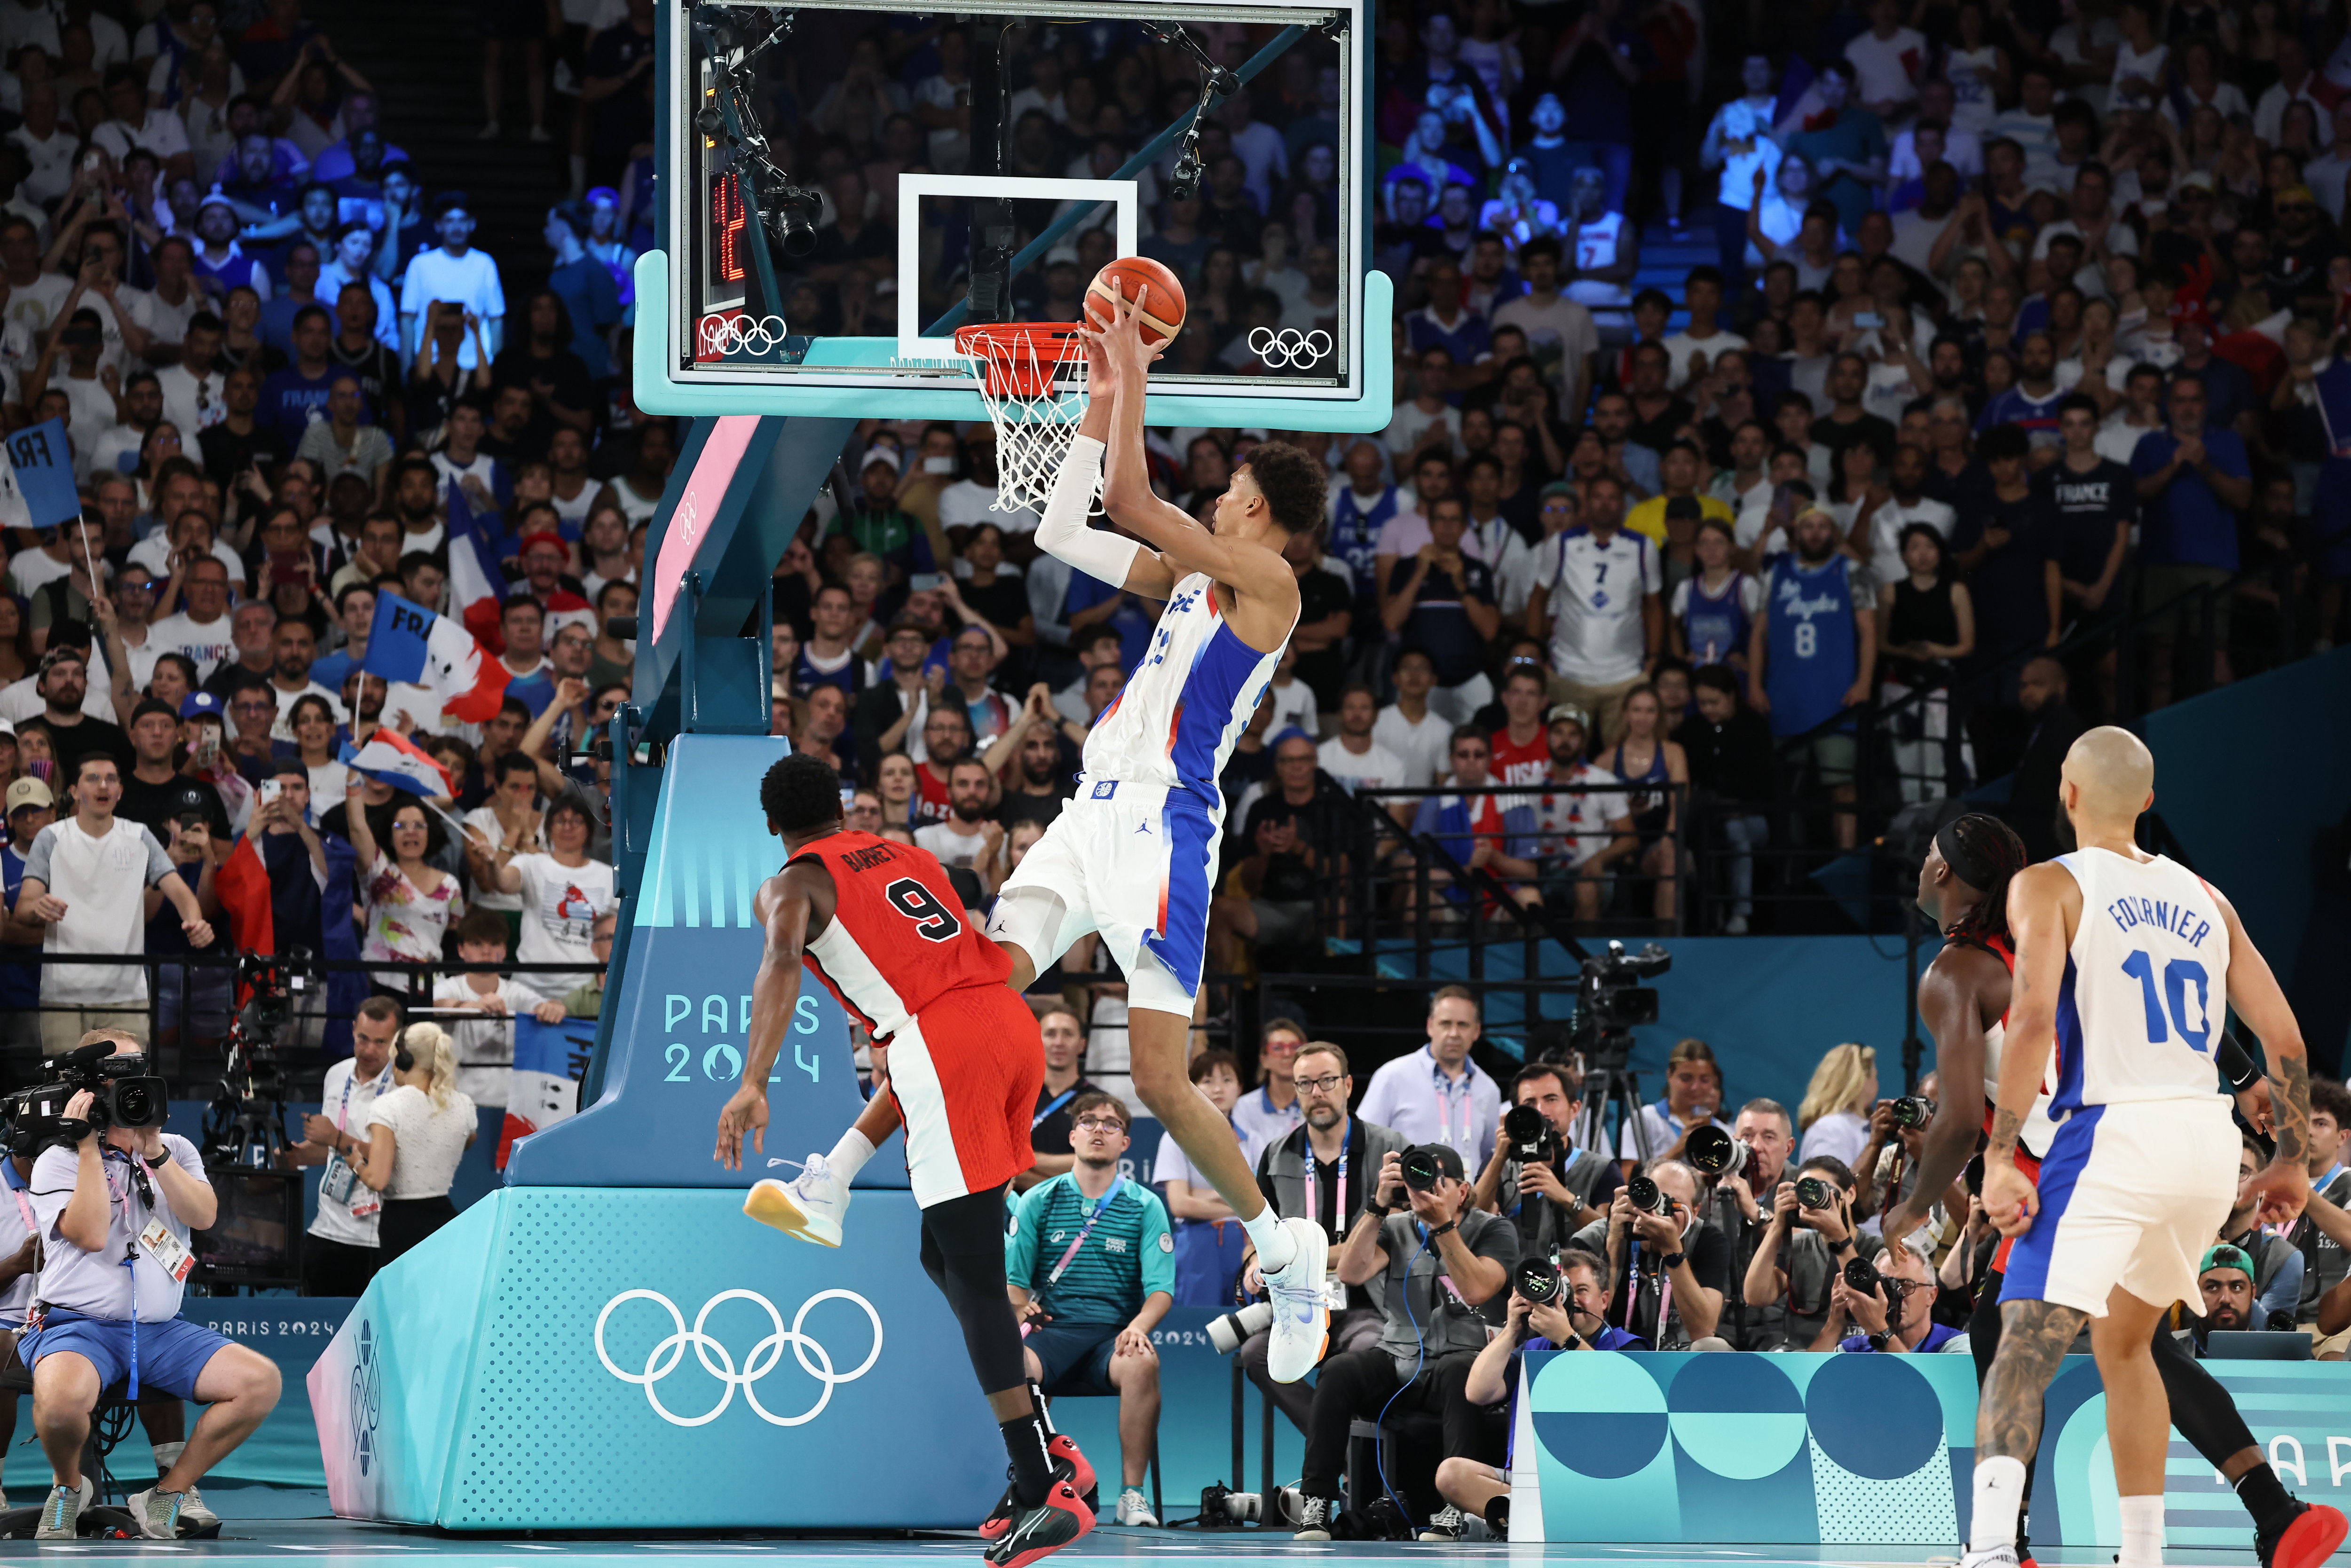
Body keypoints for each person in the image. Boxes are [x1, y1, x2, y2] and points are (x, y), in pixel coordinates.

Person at [1944, 733, 2327, 1568]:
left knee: (2023, 1341)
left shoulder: (2048, 884)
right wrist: (2293, 1157)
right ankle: (2146, 1554)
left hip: (2111, 1133)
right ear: (2148, 803)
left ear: (2067, 794)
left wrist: (2004, 1154)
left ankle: (1987, 1554)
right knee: (2128, 1344)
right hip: (2200, 1143)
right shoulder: (2206, 897)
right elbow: (2284, 1035)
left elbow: (2035, 1018)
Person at [713, 754, 1096, 1568]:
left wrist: (754, 1080)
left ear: (770, 825)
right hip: (1005, 1019)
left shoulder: (791, 884)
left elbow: (782, 963)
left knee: (979, 1279)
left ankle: (1042, 1486)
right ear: (843, 805)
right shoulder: (906, 855)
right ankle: (831, 1183)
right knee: (945, 1255)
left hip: (940, 1042)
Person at [22, 1028, 281, 1540]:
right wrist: (91, 1147)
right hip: (78, 1326)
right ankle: (69, 1487)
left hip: (161, 1329)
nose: (131, 1087)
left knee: (260, 1381)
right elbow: (92, 1234)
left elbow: (204, 1216)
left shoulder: (177, 1149)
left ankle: (167, 1492)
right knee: (57, 1402)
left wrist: (155, 1152)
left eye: (138, 1073)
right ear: (90, 1088)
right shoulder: (58, 1159)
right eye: (119, 1076)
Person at [1291, 1142, 1517, 1541]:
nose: (1425, 1189)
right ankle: (1318, 1501)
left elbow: (1479, 1289)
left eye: (1437, 1179)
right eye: (1419, 1178)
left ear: (1462, 1191)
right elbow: (1351, 1272)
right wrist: (1378, 1205)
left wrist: (1443, 1227)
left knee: (1457, 1370)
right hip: (1398, 1360)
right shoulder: (1395, 1227)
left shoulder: (1493, 1229)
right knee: (1341, 1368)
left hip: (1458, 1365)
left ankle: (1456, 1508)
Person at [1005, 1093, 1171, 1529]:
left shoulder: (1145, 1205)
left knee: (1141, 1362)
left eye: (1112, 1124)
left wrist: (1138, 1326)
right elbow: (1014, 1285)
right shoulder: (1037, 1199)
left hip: (1111, 1337)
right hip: (1052, 1332)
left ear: (1126, 1143)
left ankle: (1131, 1495)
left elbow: (1161, 1289)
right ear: (1073, 1135)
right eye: (1089, 1121)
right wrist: (1023, 1308)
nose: (1100, 1129)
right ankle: (1035, 1485)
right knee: (1011, 1364)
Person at [1238, 1041, 1406, 1434]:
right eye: (1305, 1083)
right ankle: (1343, 1452)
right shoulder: (1277, 1154)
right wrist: (1253, 1263)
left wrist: (1297, 1253)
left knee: (1366, 1352)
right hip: (1300, 1305)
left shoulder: (1388, 1147)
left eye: (1327, 1081)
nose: (1317, 1092)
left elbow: (1393, 1235)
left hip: (1371, 1306)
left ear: (1348, 1085)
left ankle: (1341, 1456)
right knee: (1255, 1354)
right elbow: (1259, 1234)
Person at [1436, 1250, 1642, 1541]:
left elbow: (1616, 1396)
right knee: (1451, 1474)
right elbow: (1477, 1392)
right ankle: (1532, 1519)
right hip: (1531, 1482)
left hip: (1595, 1481)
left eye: (1581, 1291)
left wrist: (1568, 1339)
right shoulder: (1535, 1349)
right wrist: (1511, 1330)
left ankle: (1508, 1520)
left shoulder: (1627, 1346)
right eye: (1564, 1290)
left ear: (1604, 1300)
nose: (1572, 1300)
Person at [13, 755, 214, 1051]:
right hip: (64, 993)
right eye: (93, 778)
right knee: (68, 1091)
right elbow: (23, 906)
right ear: (74, 790)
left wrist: (195, 921)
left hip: (126, 993)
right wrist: (38, 907)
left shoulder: (139, 836)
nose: (103, 785)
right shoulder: (51, 837)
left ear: (120, 791)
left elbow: (179, 891)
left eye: (111, 779)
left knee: (128, 1091)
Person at [1748, 507, 1874, 850]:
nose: (1816, 533)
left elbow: (1868, 631)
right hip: (1785, 698)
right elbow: (1758, 633)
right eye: (1808, 527)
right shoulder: (1776, 573)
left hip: (1836, 700)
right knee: (1788, 789)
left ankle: (1847, 862)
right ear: (1797, 533)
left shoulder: (1852, 571)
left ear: (1833, 532)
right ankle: (1790, 870)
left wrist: (1864, 682)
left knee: (1843, 786)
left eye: (1823, 527)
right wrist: (1754, 685)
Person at [282, 996, 401, 1296]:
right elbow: (332, 1153)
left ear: (397, 1040)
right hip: (327, 1231)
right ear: (352, 1031)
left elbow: (399, 1160)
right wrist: (300, 1154)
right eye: (363, 1039)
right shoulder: (336, 1074)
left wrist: (337, 1138)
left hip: (378, 1239)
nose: (369, 1050)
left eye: (380, 1042)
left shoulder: (404, 1086)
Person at [348, 1022, 475, 1264]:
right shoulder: (464, 1105)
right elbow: (468, 1140)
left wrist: (356, 1163)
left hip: (402, 1226)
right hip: (444, 1219)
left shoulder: (388, 1106)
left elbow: (376, 1179)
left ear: (403, 1059)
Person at [1472, 1060, 1623, 1253]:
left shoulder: (1601, 1169)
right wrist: (1500, 1156)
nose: (1542, 1111)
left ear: (1574, 1109)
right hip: (1513, 1279)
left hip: (1578, 1279)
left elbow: (1611, 1238)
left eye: (1551, 1099)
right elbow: (1473, 1223)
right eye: (1530, 1103)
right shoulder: (1500, 1164)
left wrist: (1567, 1199)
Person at [1356, 986, 1503, 1173]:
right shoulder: (1393, 1077)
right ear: (1430, 1026)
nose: (1454, 1033)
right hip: (1406, 1199)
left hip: (1466, 1199)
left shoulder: (1488, 1089)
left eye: (1463, 1025)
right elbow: (1364, 1142)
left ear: (1477, 1031)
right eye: (1446, 1024)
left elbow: (1489, 1159)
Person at [1154, 1048, 1258, 1309]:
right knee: (1195, 1327)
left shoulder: (1254, 1141)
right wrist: (1239, 1202)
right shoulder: (1175, 1137)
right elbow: (1180, 1205)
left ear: (1240, 1088)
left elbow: (1264, 1200)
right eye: (1207, 1081)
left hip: (1248, 1243)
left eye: (1227, 1080)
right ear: (1193, 1087)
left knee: (1248, 1326)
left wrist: (1204, 1196)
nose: (1218, 1089)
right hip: (1197, 1247)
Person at [1797, 1042, 1879, 1167]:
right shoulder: (1831, 1129)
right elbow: (1830, 1183)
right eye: (1875, 1077)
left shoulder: (1855, 1127)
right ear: (1860, 1081)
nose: (1877, 1084)